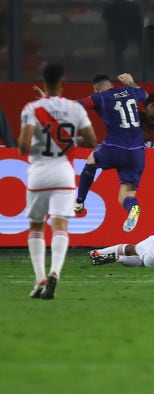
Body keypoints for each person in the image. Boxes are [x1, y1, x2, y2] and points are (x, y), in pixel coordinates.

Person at [19, 64, 98, 299]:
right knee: (60, 225)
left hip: (39, 174)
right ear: (64, 82)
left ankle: (40, 278)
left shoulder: (32, 108)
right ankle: (55, 272)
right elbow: (92, 140)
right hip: (64, 173)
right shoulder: (74, 109)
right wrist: (68, 141)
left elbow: (23, 146)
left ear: (43, 82)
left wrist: (44, 142)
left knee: (36, 226)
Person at [75, 73, 148, 233]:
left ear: (96, 89)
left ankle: (79, 202)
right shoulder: (131, 91)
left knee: (91, 161)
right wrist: (131, 82)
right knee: (126, 196)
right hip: (137, 153)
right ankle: (132, 209)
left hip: (115, 147)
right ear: (111, 85)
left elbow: (76, 106)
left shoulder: (99, 97)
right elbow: (145, 94)